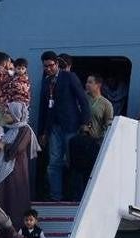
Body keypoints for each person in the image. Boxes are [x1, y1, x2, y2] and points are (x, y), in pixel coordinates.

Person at [37, 51, 88, 202]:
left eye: (51, 65)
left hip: (71, 125)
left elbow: (83, 99)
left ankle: (77, 197)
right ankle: (56, 196)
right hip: (54, 127)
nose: (48, 69)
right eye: (45, 66)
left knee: (73, 161)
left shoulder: (69, 77)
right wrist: (42, 132)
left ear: (57, 64)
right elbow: (43, 108)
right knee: (54, 162)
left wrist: (85, 123)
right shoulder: (46, 82)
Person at [0, 102, 38, 238]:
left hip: (16, 171)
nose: (5, 115)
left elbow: (18, 149)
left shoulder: (25, 130)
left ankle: (15, 233)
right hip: (7, 170)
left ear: (16, 115)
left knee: (15, 199)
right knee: (5, 199)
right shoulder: (11, 129)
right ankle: (4, 234)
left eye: (8, 113)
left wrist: (1, 145)